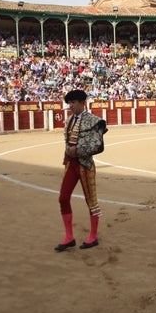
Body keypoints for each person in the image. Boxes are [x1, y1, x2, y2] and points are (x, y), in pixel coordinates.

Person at [55, 89, 108, 252]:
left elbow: (98, 145)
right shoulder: (69, 120)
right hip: (71, 165)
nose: (70, 105)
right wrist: (69, 153)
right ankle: (69, 237)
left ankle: (93, 236)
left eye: (73, 102)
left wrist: (77, 150)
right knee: (63, 198)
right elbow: (67, 142)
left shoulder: (94, 120)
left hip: (85, 164)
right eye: (69, 102)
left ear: (82, 103)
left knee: (91, 201)